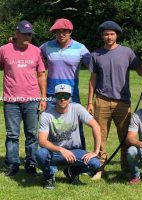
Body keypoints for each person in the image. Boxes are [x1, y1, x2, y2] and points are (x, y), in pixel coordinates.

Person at [87, 20, 142, 178]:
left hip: (123, 102)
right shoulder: (95, 54)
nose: (109, 36)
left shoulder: (127, 52)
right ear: (102, 36)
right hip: (101, 101)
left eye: (112, 34)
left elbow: (141, 72)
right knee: (100, 136)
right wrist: (89, 102)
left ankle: (126, 169)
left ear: (117, 35)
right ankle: (100, 168)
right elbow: (93, 79)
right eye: (106, 34)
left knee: (126, 138)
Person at [0, 20, 47, 176]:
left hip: (32, 100)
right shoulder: (4, 50)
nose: (28, 37)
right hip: (11, 101)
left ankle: (31, 163)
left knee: (31, 135)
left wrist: (43, 97)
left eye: (30, 34)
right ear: (17, 34)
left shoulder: (36, 51)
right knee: (12, 134)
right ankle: (13, 165)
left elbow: (41, 74)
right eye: (25, 34)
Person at [35, 84, 101, 189]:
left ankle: (72, 171)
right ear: (54, 97)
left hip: (74, 151)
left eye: (65, 96)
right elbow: (42, 141)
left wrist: (96, 152)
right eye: (59, 96)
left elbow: (96, 126)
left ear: (70, 98)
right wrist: (60, 150)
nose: (62, 99)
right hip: (55, 152)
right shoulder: (46, 115)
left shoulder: (77, 108)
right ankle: (49, 176)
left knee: (95, 164)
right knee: (40, 154)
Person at [40, 18, 91, 150]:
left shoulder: (80, 48)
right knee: (51, 127)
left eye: (64, 31)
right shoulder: (47, 46)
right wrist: (15, 43)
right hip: (52, 94)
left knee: (77, 127)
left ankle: (80, 159)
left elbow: (94, 66)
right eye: (58, 31)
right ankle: (51, 159)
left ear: (70, 32)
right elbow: (31, 53)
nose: (61, 34)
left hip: (72, 94)